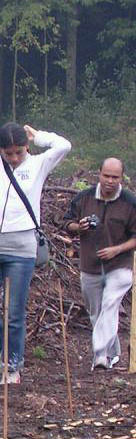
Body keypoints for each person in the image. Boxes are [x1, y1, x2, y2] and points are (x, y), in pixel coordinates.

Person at [0, 122, 71, 383]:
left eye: (19, 152)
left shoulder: (39, 163)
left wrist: (38, 136)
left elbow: (64, 145)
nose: (15, 158)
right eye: (9, 153)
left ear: (27, 148)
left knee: (14, 311)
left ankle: (12, 364)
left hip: (23, 248)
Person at [63, 158, 136, 369]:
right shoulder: (84, 198)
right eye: (106, 176)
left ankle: (100, 354)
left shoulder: (130, 202)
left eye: (115, 177)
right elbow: (67, 223)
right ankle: (112, 354)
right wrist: (80, 227)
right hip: (90, 264)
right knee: (96, 312)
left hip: (120, 265)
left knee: (110, 303)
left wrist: (117, 249)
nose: (110, 181)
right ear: (99, 174)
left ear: (121, 178)